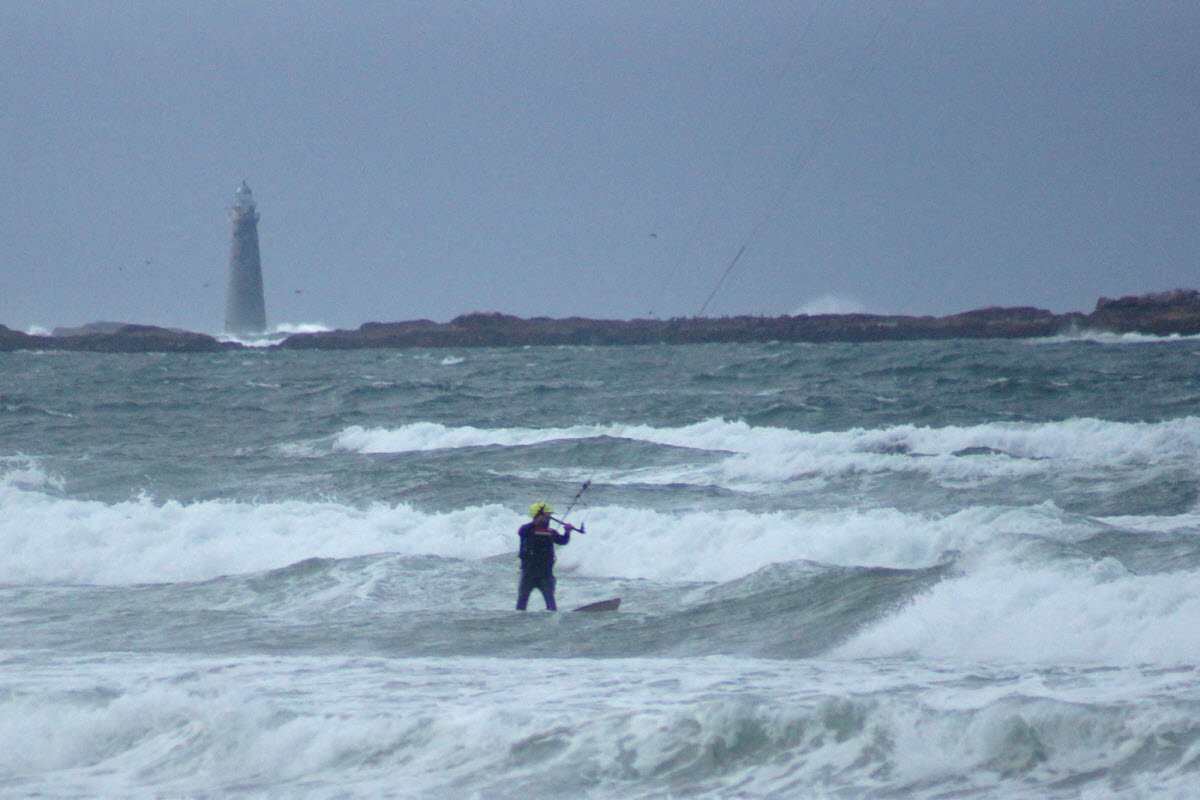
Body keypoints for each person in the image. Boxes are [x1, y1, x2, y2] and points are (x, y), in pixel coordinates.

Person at [516, 501, 574, 611]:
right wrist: (539, 518)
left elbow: (562, 541)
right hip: (528, 573)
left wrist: (567, 531)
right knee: (521, 603)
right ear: (538, 515)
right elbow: (524, 531)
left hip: (546, 574)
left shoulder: (550, 532)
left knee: (551, 604)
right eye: (548, 516)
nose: (549, 518)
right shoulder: (526, 530)